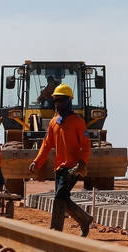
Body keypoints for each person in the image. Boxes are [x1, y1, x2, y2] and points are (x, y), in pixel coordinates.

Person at [27, 83, 93, 237]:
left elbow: (86, 144)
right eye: (56, 100)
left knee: (59, 197)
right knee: (63, 198)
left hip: (74, 167)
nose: (58, 103)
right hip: (60, 168)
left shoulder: (77, 121)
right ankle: (84, 219)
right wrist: (36, 162)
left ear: (69, 101)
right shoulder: (53, 122)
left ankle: (55, 231)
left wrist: (82, 162)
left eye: (61, 100)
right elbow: (46, 144)